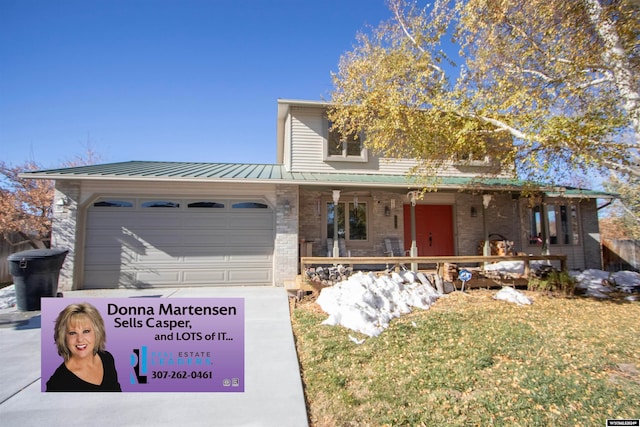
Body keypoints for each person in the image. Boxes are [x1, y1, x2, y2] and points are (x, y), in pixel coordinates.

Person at [46, 302, 122, 392]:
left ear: (97, 332)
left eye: (86, 331)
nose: (80, 339)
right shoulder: (57, 383)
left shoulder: (107, 359)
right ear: (63, 337)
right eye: (72, 333)